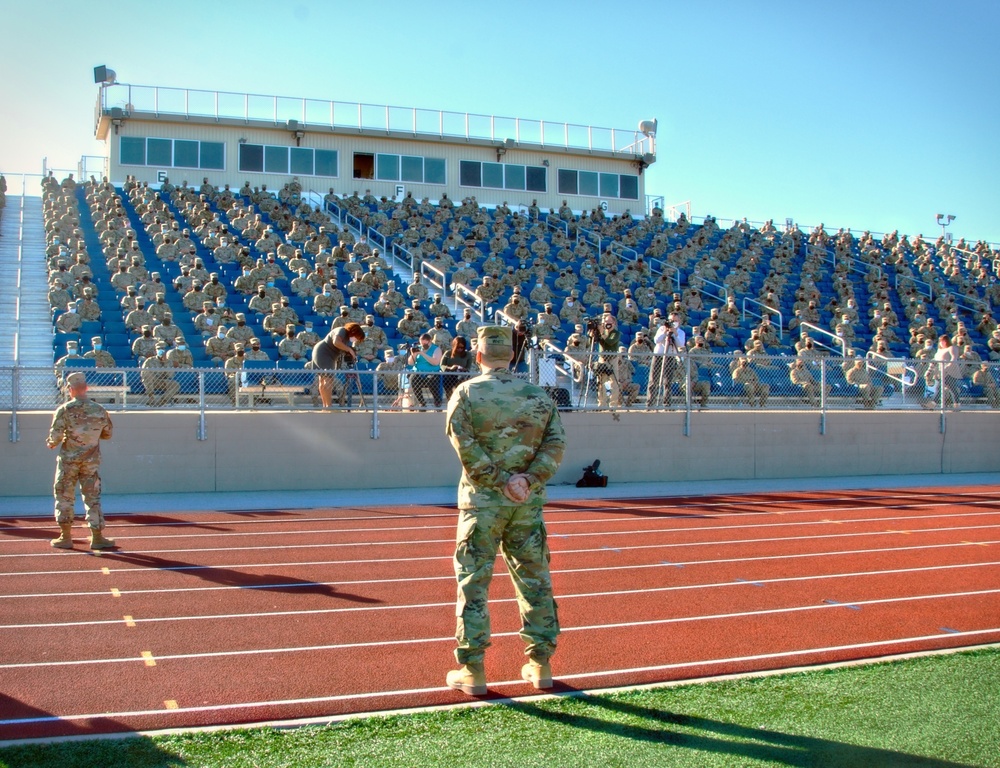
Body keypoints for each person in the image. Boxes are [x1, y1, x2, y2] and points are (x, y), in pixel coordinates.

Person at [444, 325, 566, 696]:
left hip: (482, 505)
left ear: (478, 356)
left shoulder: (465, 393)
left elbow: (464, 446)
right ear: (511, 356)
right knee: (535, 581)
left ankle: (474, 671)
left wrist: (498, 480)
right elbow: (556, 444)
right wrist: (526, 481)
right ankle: (540, 665)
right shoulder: (539, 396)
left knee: (474, 585)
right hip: (525, 505)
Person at [46, 371, 115, 550]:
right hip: (90, 461)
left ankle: (65, 536)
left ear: (70, 389)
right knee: (92, 498)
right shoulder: (99, 410)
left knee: (64, 496)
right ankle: (97, 537)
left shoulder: (64, 410)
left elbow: (55, 437)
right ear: (86, 388)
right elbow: (107, 434)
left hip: (69, 461)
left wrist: (51, 443)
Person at [311, 322, 365, 408]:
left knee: (323, 380)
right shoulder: (342, 331)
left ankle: (325, 406)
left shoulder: (347, 339)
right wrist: (349, 350)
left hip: (327, 354)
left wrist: (350, 351)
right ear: (353, 332)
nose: (356, 340)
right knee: (328, 380)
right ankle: (329, 406)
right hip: (324, 353)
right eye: (357, 337)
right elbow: (336, 342)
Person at [408, 332, 444, 408]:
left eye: (424, 344)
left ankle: (437, 401)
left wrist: (422, 354)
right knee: (413, 379)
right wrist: (413, 354)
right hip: (418, 373)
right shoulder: (419, 348)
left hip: (432, 373)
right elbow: (410, 363)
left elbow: (435, 362)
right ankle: (422, 402)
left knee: (432, 380)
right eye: (421, 344)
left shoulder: (436, 349)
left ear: (430, 341)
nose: (423, 346)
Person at [440, 335, 475, 400]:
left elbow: (468, 367)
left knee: (460, 391)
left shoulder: (468, 354)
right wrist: (450, 368)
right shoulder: (448, 353)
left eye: (462, 347)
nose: (460, 349)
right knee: (449, 393)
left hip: (461, 376)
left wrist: (463, 369)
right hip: (449, 376)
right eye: (458, 347)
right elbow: (442, 365)